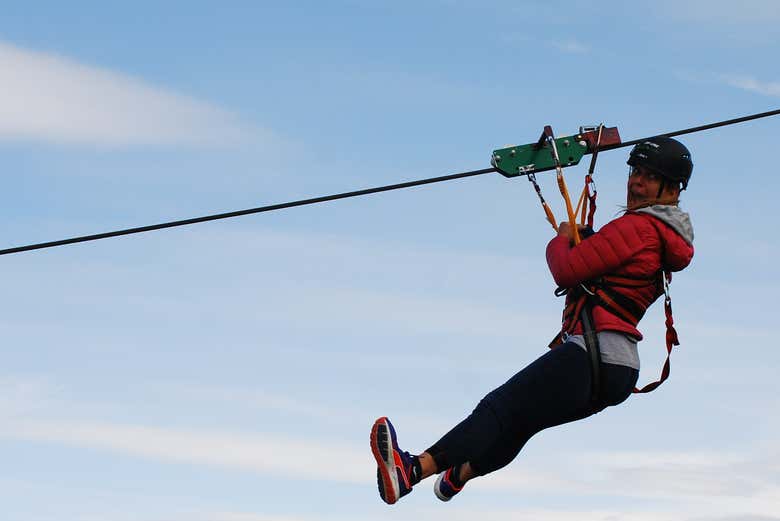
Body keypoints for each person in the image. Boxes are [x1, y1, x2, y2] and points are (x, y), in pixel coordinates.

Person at [370, 136, 695, 505]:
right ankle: (459, 475)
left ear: (670, 189)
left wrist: (560, 240)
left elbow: (567, 270)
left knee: (500, 408)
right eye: (635, 171)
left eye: (649, 176)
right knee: (520, 423)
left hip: (591, 355)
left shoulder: (640, 228)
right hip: (618, 370)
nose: (636, 181)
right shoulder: (663, 237)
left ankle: (411, 470)